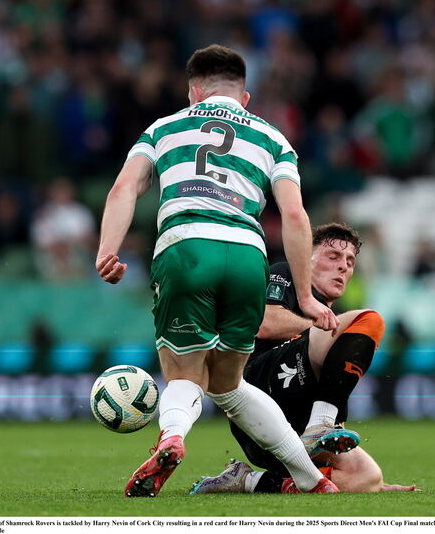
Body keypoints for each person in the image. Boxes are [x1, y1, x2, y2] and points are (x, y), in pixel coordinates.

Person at [96, 44, 342, 498]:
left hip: (187, 246)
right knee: (228, 384)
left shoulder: (163, 128)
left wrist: (107, 251)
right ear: (244, 97)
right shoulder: (273, 138)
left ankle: (171, 436)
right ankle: (309, 478)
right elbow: (294, 216)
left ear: (194, 92)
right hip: (248, 255)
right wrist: (306, 297)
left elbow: (123, 188)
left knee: (184, 374)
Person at [191, 223, 418, 494]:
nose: (343, 266)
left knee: (365, 477)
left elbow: (333, 388)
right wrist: (322, 325)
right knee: (369, 320)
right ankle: (319, 425)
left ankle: (246, 480)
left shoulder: (336, 316)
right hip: (256, 389)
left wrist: (379, 486)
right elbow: (265, 322)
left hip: (283, 436)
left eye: (349, 261)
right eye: (332, 256)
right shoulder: (283, 273)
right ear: (306, 258)